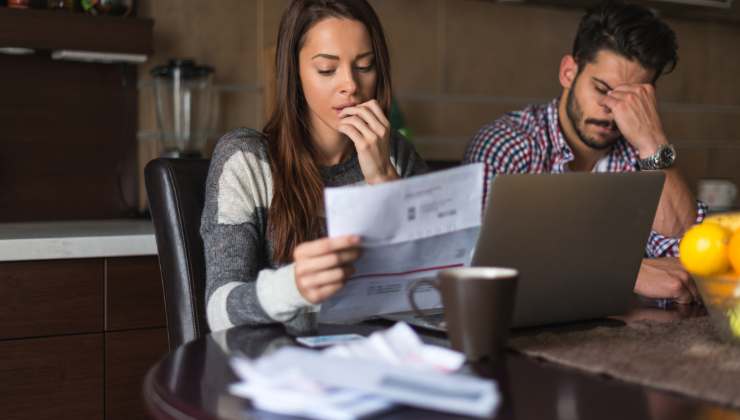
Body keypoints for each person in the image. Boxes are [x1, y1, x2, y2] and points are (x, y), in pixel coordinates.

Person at [201, 0, 427, 332]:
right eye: (326, 69)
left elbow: (434, 292)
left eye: (365, 66)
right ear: (295, 73)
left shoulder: (397, 156)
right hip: (281, 366)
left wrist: (383, 178)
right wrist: (294, 286)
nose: (350, 84)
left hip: (381, 358)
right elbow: (220, 311)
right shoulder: (247, 159)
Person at [463, 0, 706, 304]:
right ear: (568, 72)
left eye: (630, 98)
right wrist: (625, 271)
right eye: (602, 89)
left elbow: (693, 260)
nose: (610, 110)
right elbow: (480, 271)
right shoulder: (509, 144)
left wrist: (653, 142)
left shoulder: (641, 155)